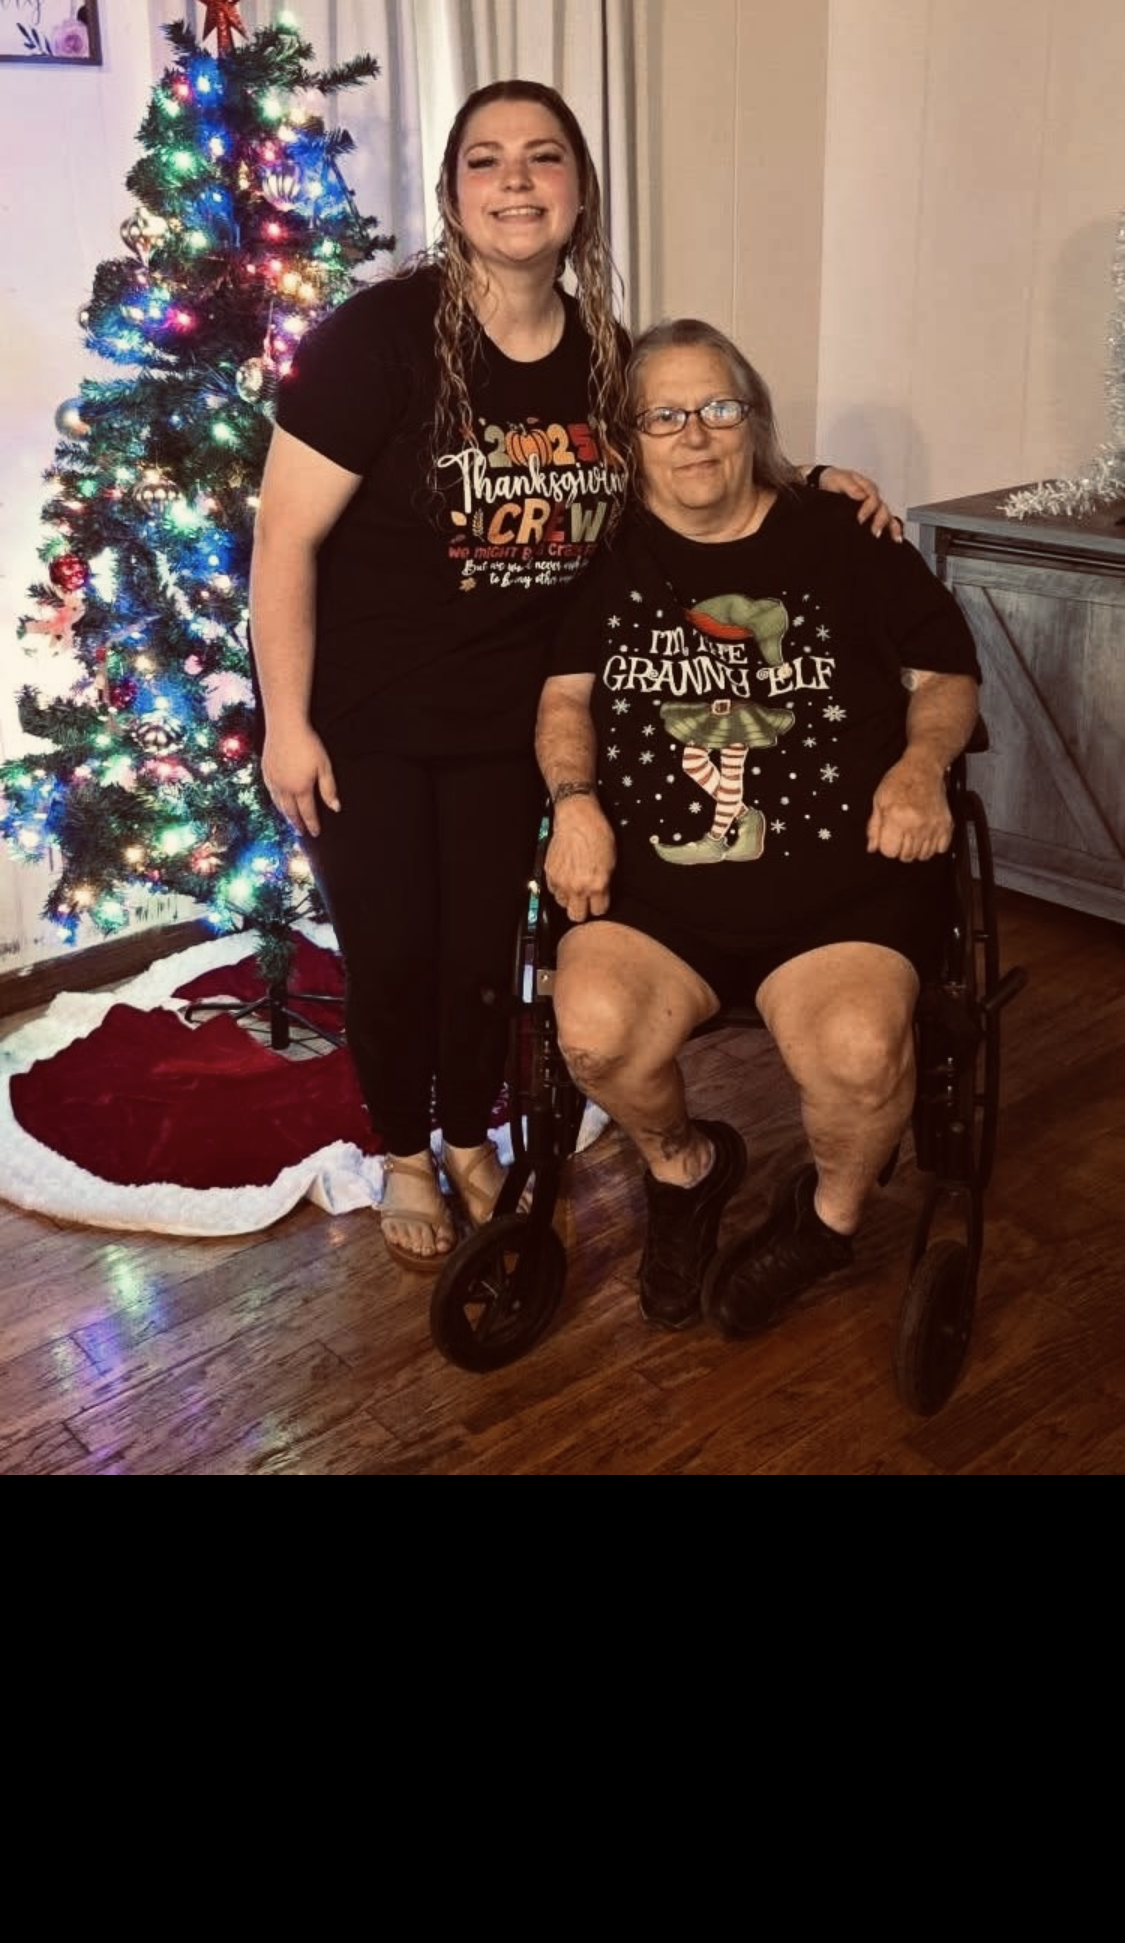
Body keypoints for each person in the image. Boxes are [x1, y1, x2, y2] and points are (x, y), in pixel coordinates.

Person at [249, 85, 898, 1273]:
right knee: (393, 953)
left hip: (519, 718)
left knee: (484, 951)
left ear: (579, 191)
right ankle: (404, 1149)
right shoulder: (380, 340)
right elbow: (283, 538)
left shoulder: (604, 357)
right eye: (487, 161)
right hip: (372, 718)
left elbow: (690, 459)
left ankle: (467, 1127)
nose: (516, 181)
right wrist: (285, 722)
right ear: (453, 195)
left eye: (543, 158)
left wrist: (813, 484)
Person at [535, 316, 981, 1337]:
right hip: (655, 895)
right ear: (631, 437)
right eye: (666, 415)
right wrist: (574, 805)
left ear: (754, 421)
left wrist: (922, 766)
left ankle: (825, 1222)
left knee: (863, 1051)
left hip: (842, 895)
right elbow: (563, 702)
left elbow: (946, 674)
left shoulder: (845, 539)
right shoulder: (605, 557)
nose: (695, 435)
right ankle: (686, 1170)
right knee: (594, 1034)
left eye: (719, 408)